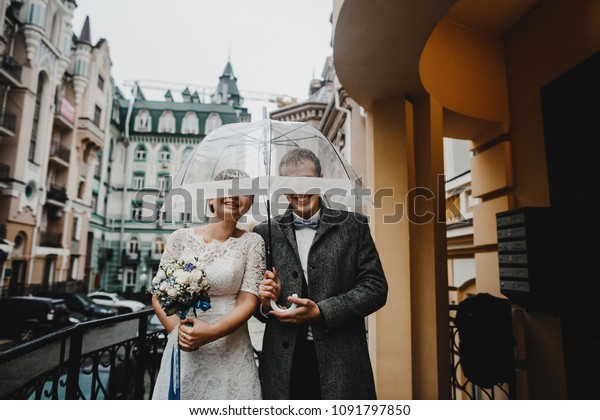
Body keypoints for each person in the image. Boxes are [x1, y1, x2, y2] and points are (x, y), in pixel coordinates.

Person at [253, 148, 388, 400]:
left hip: (342, 360)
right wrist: (264, 302)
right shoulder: (265, 232)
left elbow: (376, 288)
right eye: (290, 183)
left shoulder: (353, 226)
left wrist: (322, 311)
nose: (300, 191)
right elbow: (258, 310)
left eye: (307, 180)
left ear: (320, 179)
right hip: (283, 365)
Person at [152, 169, 264, 400]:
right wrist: (183, 335)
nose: (234, 195)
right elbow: (158, 295)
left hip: (231, 347)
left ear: (249, 204)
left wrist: (211, 332)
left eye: (243, 192)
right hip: (186, 348)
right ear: (210, 198)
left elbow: (248, 299)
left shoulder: (253, 242)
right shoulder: (180, 238)